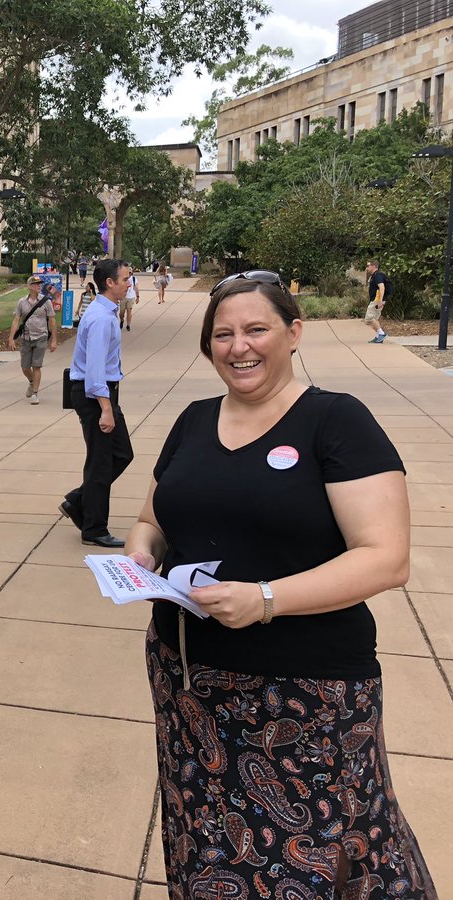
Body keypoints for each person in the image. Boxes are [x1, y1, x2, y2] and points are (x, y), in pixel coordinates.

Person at [125, 270, 434, 898]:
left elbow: (384, 558)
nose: (239, 347)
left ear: (293, 333)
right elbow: (150, 520)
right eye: (224, 335)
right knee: (206, 848)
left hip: (303, 700)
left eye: (256, 329)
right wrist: (139, 556)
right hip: (188, 685)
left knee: (312, 860)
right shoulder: (191, 421)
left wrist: (266, 600)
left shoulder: (337, 422)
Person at [62, 259, 132, 548]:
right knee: (101, 463)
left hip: (99, 393)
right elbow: (94, 372)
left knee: (121, 453)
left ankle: (79, 500)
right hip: (95, 395)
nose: (130, 283)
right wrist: (106, 408)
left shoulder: (105, 312)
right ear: (110, 283)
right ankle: (94, 528)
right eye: (126, 278)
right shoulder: (102, 318)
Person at [7, 274, 59, 405]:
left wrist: (53, 340)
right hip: (26, 337)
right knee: (25, 367)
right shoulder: (21, 302)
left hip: (41, 337)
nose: (38, 286)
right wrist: (11, 338)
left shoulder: (46, 301)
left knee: (36, 366)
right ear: (29, 286)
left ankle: (35, 393)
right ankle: (31, 381)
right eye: (36, 284)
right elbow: (16, 320)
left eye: (39, 284)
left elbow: (52, 320)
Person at [364, 259, 389, 344]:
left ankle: (381, 334)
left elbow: (382, 287)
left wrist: (380, 301)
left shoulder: (377, 275)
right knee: (374, 318)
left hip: (376, 300)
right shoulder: (375, 275)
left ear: (373, 266)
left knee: (369, 318)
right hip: (377, 300)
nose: (367, 267)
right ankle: (379, 336)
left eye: (368, 266)